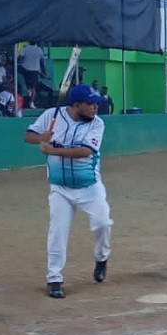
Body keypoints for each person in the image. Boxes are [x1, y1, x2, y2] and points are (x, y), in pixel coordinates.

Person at [23, 84, 112, 299]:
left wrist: (52, 149)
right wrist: (41, 137)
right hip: (60, 188)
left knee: (103, 224)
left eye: (95, 103)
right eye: (90, 104)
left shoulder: (97, 124)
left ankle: (102, 257)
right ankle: (54, 279)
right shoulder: (51, 115)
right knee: (57, 231)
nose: (95, 108)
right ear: (76, 105)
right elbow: (28, 135)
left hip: (89, 187)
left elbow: (84, 152)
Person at [18, 42, 48, 109]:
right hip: (34, 71)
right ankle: (31, 102)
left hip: (25, 70)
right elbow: (42, 62)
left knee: (29, 88)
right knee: (32, 88)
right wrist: (44, 73)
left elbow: (20, 59)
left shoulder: (25, 49)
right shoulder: (39, 50)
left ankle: (29, 102)